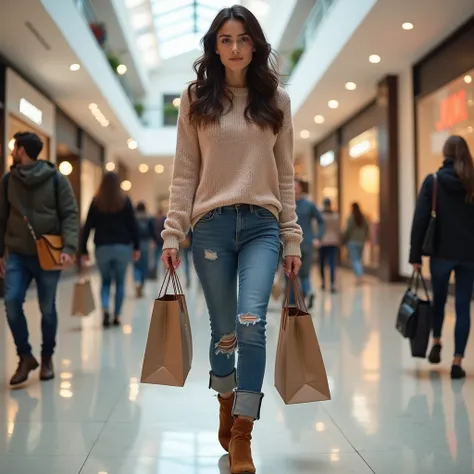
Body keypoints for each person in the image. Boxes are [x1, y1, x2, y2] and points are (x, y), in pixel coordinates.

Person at [160, 6, 302, 473]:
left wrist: (292, 238)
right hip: (212, 228)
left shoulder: (276, 99)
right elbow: (185, 171)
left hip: (262, 225)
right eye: (226, 39)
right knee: (223, 334)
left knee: (250, 322)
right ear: (214, 46)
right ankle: (226, 395)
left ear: (255, 44)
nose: (235, 48)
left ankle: (243, 432)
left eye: (243, 39)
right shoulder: (196, 98)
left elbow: (285, 175)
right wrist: (173, 232)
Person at [0, 131, 78, 386]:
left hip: (48, 254)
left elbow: (69, 213)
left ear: (22, 150)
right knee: (11, 302)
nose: (12, 150)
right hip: (17, 254)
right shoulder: (8, 180)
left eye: (14, 147)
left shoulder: (56, 179)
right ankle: (25, 356)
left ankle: (46, 358)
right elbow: (2, 217)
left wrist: (69, 246)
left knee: (47, 308)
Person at [410, 135, 474, 379]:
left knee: (438, 299)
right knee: (462, 306)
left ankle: (436, 340)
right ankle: (457, 361)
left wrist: (415, 255)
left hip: (441, 253)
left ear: (445, 154)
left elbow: (420, 220)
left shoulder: (434, 181)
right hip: (469, 255)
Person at [80, 172, 140, 327]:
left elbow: (87, 227)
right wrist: (137, 247)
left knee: (105, 281)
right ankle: (117, 316)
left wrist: (83, 250)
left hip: (102, 248)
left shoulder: (96, 202)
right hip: (122, 247)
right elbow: (133, 225)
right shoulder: (124, 201)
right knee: (120, 282)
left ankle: (105, 309)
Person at [292, 178, 325, 308]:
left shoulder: (309, 205)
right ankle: (295, 299)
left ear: (300, 188)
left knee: (305, 272)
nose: (294, 189)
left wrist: (318, 237)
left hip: (306, 244)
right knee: (291, 273)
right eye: (292, 186)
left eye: (296, 186)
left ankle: (307, 294)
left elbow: (321, 221)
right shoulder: (285, 205)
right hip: (289, 245)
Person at [134, 201, 157, 297]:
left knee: (136, 265)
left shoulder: (133, 218)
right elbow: (152, 231)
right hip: (146, 243)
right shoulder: (149, 218)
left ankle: (137, 281)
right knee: (144, 265)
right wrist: (154, 241)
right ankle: (142, 284)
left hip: (135, 243)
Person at [343, 202, 369, 283]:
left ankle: (359, 276)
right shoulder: (363, 217)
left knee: (355, 259)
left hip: (352, 241)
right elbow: (367, 228)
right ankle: (359, 276)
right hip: (361, 241)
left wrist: (344, 238)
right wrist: (364, 236)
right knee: (359, 259)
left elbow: (348, 230)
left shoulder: (351, 218)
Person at [319, 198, 340, 292]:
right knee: (332, 263)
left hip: (322, 241)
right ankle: (332, 284)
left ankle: (323, 282)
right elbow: (337, 229)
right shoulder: (336, 216)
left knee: (322, 263)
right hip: (333, 241)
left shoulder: (320, 216)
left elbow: (316, 228)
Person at [152, 209, 166, 278]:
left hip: (160, 242)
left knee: (158, 258)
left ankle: (159, 273)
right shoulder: (163, 220)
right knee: (158, 258)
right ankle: (157, 273)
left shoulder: (155, 220)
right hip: (160, 242)